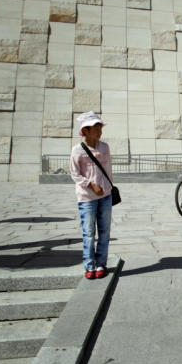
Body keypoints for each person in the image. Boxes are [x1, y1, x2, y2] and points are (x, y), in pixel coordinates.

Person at [69, 111, 112, 279]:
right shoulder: (77, 151)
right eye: (96, 127)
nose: (99, 131)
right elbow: (75, 174)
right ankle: (89, 266)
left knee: (104, 231)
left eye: (100, 127)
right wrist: (91, 185)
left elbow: (108, 170)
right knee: (88, 232)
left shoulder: (105, 147)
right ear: (85, 131)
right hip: (87, 197)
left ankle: (101, 263)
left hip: (105, 195)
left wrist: (108, 187)